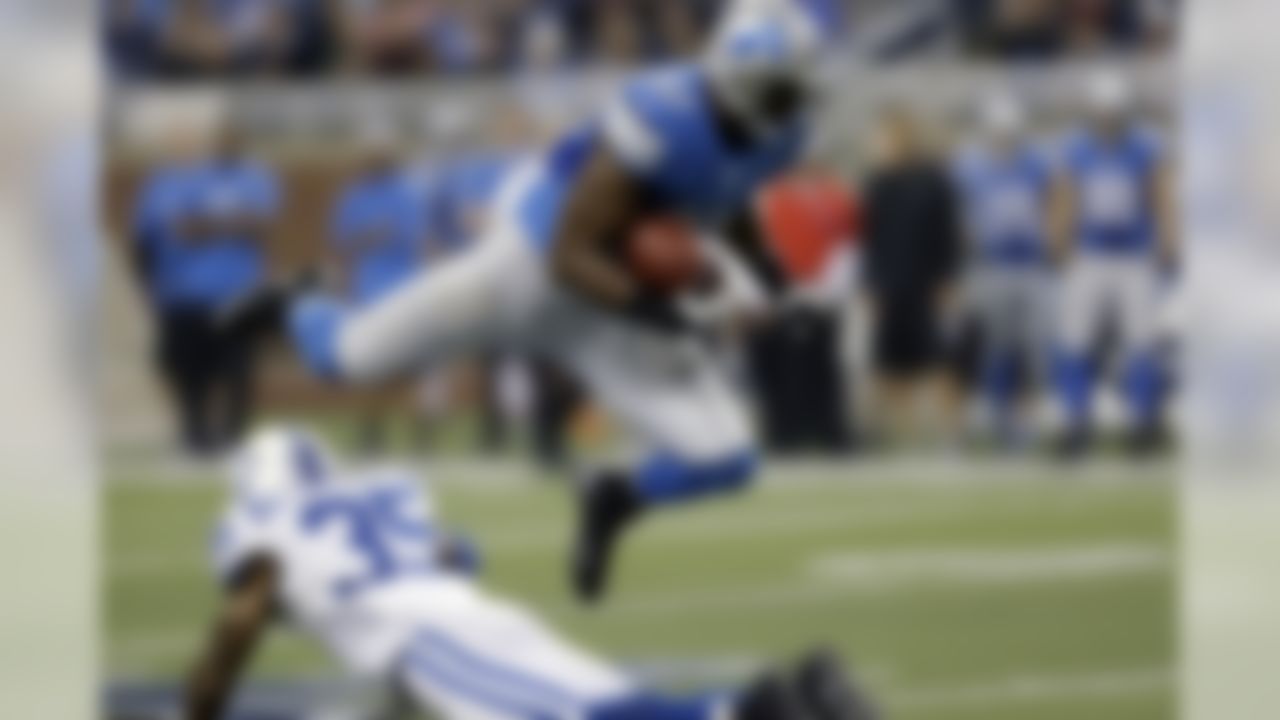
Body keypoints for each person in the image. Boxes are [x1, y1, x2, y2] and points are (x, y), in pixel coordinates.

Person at [287, 0, 826, 603]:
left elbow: (732, 193)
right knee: (345, 359)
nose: (792, 105)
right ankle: (301, 299)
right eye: (780, 91)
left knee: (726, 459)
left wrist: (777, 283)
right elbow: (569, 257)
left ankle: (612, 497)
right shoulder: (665, 116)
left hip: (617, 309)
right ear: (735, 82)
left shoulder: (779, 130)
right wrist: (674, 315)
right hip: (529, 274)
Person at [185, 428, 879, 720]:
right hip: (475, 618)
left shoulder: (254, 524)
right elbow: (461, 553)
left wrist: (204, 704)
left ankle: (771, 708)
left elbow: (242, 613)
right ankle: (778, 701)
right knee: (607, 703)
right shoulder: (384, 490)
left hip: (433, 645)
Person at [131, 123, 281, 456]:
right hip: (182, 293)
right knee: (187, 368)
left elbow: (257, 223)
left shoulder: (255, 177)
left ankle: (232, 436)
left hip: (236, 291)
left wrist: (209, 225)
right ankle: (194, 432)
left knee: (237, 368)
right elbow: (171, 231)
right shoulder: (175, 181)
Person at [1051, 71, 1178, 458]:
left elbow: (1159, 193)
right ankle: (1077, 421)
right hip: (1090, 254)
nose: (1108, 117)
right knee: (1075, 340)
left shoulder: (1145, 146)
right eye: (1103, 110)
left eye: (1114, 110)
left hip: (1133, 254)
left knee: (1142, 342)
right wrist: (1062, 244)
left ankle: (1141, 423)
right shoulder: (1077, 148)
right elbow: (1066, 196)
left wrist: (1169, 240)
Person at [952, 93, 1054, 449]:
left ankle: (1024, 424)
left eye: (1008, 131)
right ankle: (1000, 420)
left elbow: (1053, 205)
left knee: (1032, 350)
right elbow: (961, 221)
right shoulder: (970, 166)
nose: (1003, 137)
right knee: (996, 349)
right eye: (998, 131)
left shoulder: (1037, 163)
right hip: (989, 267)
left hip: (1031, 265)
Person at [860, 106, 964, 450]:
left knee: (940, 361)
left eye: (886, 138)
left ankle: (951, 434)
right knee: (891, 366)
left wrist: (946, 281)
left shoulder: (933, 180)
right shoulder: (877, 183)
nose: (880, 145)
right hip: (889, 287)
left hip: (927, 285)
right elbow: (870, 241)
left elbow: (947, 235)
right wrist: (870, 287)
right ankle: (904, 437)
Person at [329, 128, 429, 453]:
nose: (376, 159)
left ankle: (420, 434)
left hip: (404, 289)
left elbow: (415, 240)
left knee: (413, 366)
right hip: (368, 290)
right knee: (370, 366)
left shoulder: (407, 192)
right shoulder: (353, 195)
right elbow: (343, 244)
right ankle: (371, 433)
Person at [751, 162, 862, 453]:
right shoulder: (770, 196)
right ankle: (785, 432)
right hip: (779, 292)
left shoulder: (835, 197)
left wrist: (829, 288)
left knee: (824, 364)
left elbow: (846, 245)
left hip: (824, 292)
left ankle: (829, 430)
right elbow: (765, 244)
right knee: (780, 366)